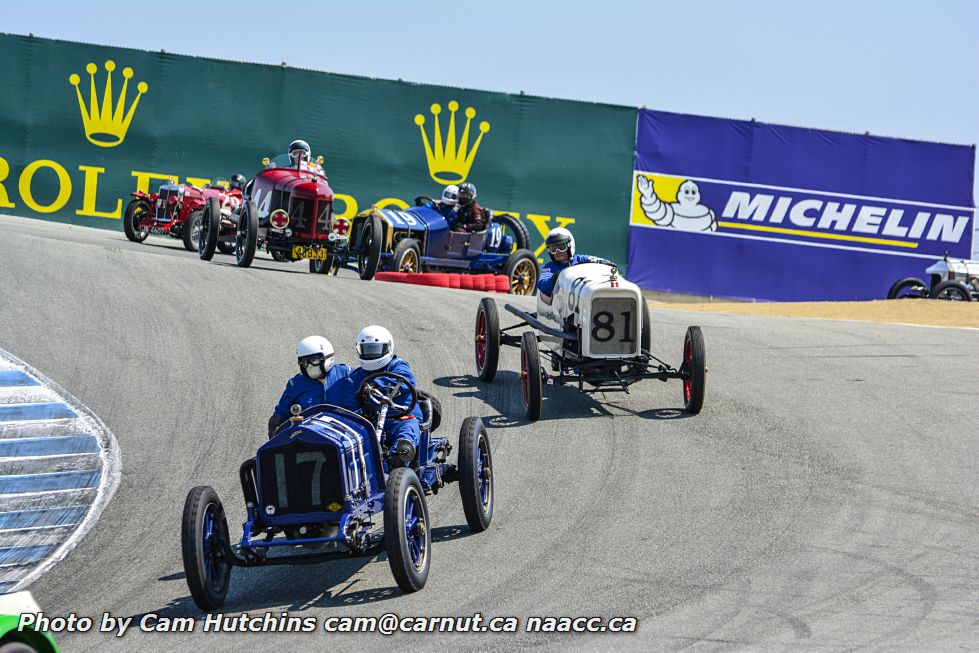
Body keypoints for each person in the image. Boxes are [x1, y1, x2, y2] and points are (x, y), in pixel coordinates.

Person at [335, 325, 423, 462]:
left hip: (401, 418)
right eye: (367, 350)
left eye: (374, 350)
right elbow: (349, 408)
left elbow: (406, 380)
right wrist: (363, 405)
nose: (371, 354)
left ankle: (399, 459)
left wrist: (372, 387)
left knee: (407, 430)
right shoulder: (354, 378)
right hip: (370, 423)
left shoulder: (397, 366)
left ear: (388, 348)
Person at [268, 336, 350, 438]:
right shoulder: (296, 383)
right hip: (308, 438)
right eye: (304, 361)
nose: (309, 365)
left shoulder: (347, 374)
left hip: (344, 435)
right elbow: (282, 410)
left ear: (327, 357)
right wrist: (275, 421)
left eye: (314, 360)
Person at [537, 227, 615, 305]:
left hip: (584, 297)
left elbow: (600, 261)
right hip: (561, 304)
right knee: (543, 295)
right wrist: (555, 278)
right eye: (553, 249)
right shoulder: (550, 267)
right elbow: (542, 286)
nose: (557, 252)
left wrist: (606, 264)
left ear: (570, 246)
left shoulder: (580, 259)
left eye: (561, 247)